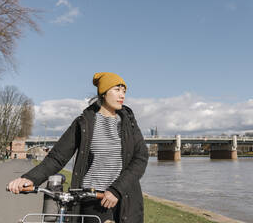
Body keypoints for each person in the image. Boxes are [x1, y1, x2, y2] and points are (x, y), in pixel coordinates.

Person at [8, 72, 149, 223]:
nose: (122, 95)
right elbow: (57, 157)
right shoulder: (84, 123)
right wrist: (30, 178)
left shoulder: (129, 123)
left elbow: (141, 158)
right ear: (103, 92)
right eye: (117, 89)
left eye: (124, 91)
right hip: (92, 199)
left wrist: (116, 190)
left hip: (124, 197)